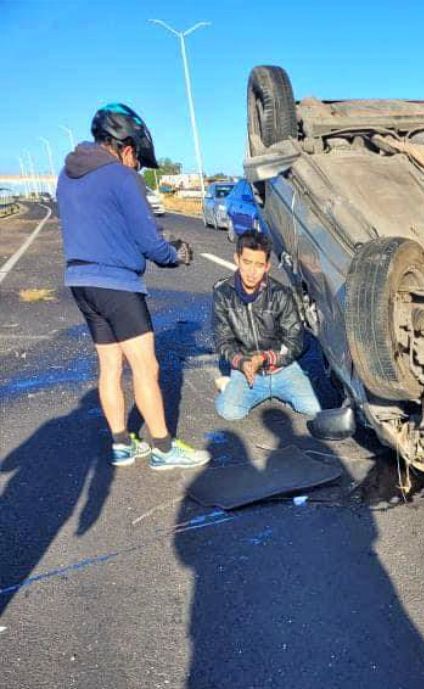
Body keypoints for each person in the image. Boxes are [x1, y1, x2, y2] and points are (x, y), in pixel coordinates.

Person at [57, 103, 209, 470]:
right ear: (125, 147)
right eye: (137, 157)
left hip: (80, 281)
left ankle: (122, 444)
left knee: (109, 365)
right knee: (145, 367)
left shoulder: (67, 174)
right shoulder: (123, 177)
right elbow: (149, 242)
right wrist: (177, 253)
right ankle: (162, 447)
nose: (137, 165)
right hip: (117, 285)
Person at [212, 230, 321, 420]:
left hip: (281, 368)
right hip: (246, 370)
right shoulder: (223, 294)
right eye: (247, 262)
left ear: (267, 266)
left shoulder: (281, 294)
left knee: (314, 407)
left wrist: (266, 358)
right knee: (229, 412)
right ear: (237, 259)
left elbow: (296, 340)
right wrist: (242, 362)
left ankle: (281, 389)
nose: (252, 272)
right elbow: (223, 341)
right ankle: (230, 385)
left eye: (259, 265)